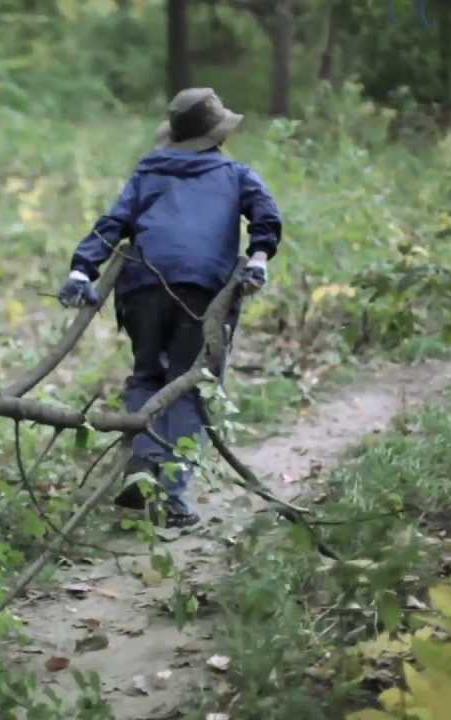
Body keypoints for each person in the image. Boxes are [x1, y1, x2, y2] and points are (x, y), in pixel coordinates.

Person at [57, 88, 282, 528]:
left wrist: (82, 269)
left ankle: (142, 469)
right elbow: (267, 216)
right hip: (202, 289)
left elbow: (112, 222)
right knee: (189, 382)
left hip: (143, 285)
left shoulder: (148, 171)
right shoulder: (237, 175)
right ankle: (175, 499)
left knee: (148, 374)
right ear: (218, 136)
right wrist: (258, 258)